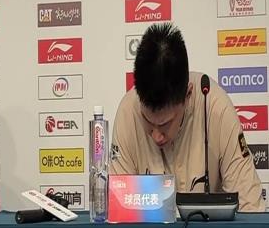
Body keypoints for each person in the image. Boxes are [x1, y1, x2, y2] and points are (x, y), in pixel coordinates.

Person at [110, 22, 264, 212]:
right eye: (148, 121)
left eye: (165, 124)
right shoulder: (128, 112)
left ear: (188, 95)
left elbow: (250, 207)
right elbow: (119, 209)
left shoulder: (215, 107)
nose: (157, 136)